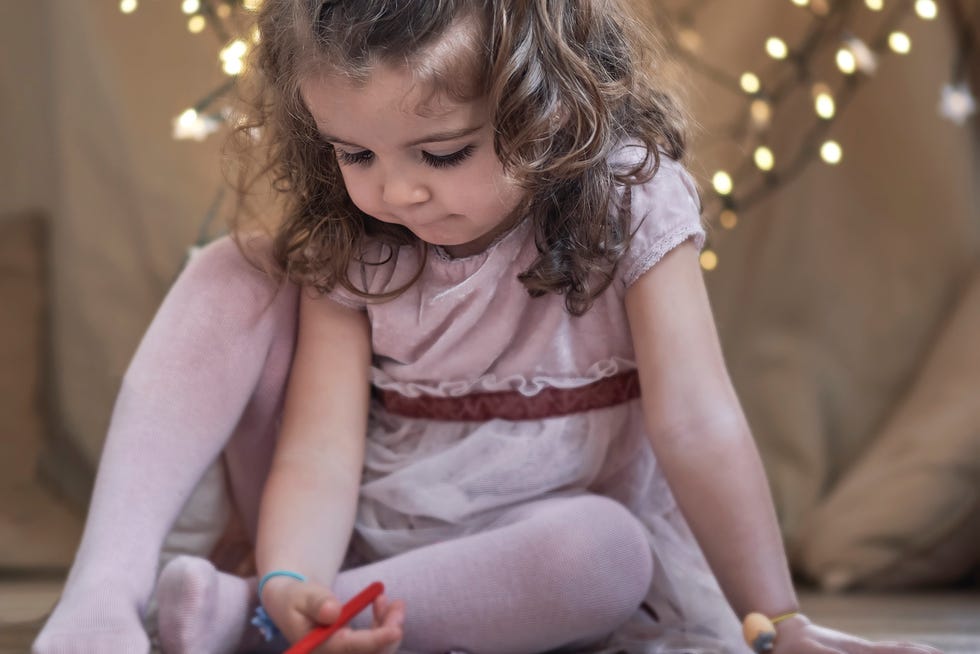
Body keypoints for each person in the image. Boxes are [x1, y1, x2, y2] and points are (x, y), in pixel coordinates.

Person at [33, 1, 945, 653]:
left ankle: (251, 628)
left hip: (538, 543)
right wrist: (290, 579)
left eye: (442, 153)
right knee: (235, 268)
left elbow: (697, 421)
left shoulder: (633, 198)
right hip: (364, 526)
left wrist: (777, 622)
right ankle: (105, 594)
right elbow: (320, 450)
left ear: (547, 105)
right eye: (355, 153)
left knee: (606, 553)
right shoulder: (362, 236)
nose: (396, 191)